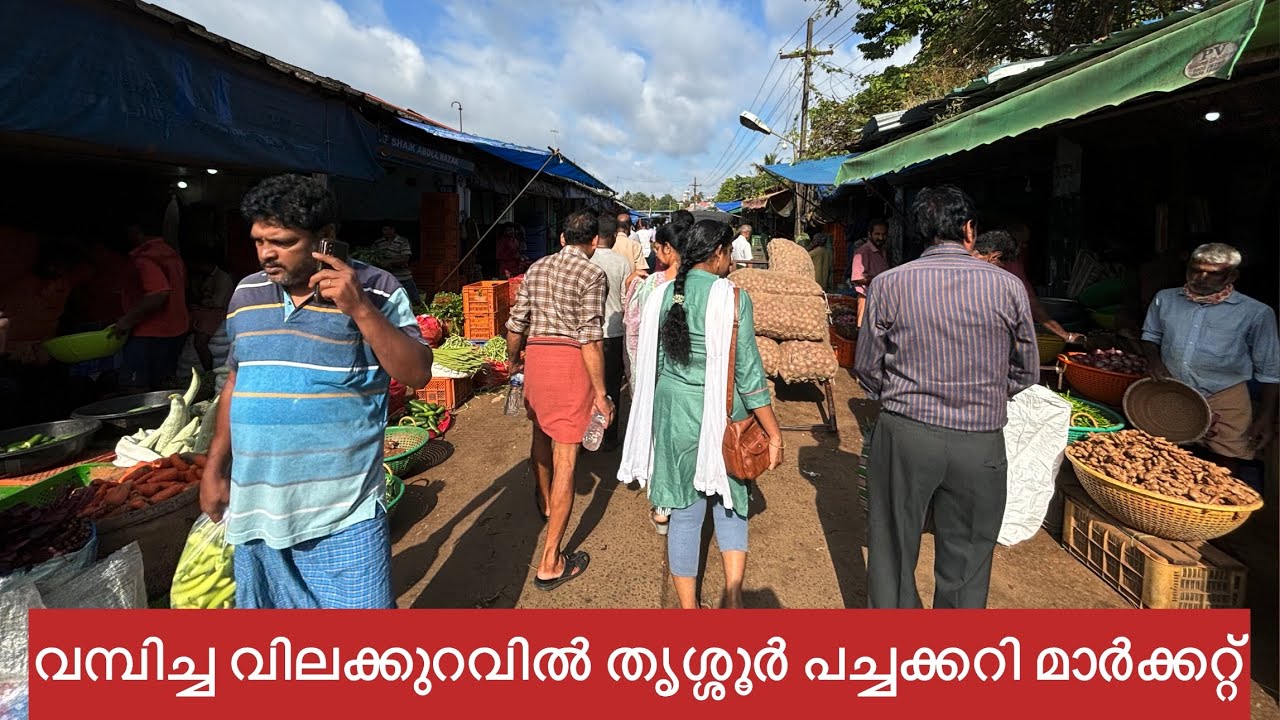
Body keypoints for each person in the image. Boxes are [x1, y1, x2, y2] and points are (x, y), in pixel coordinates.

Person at [201, 174, 432, 609]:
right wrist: (214, 468)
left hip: (342, 512)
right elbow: (237, 380)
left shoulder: (378, 289)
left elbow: (418, 372)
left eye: (283, 241)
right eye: (258, 241)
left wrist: (360, 308)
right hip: (256, 509)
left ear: (325, 239)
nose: (267, 254)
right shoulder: (246, 294)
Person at [854, 185, 1038, 609]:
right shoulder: (1008, 287)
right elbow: (1026, 370)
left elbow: (866, 366)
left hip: (905, 434)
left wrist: (904, 395)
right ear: (970, 230)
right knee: (968, 560)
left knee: (893, 551)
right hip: (980, 441)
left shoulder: (888, 284)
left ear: (920, 231)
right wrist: (983, 394)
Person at [618, 220, 783, 609]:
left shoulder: (660, 295)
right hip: (721, 415)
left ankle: (689, 612)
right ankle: (734, 600)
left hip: (673, 411)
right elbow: (749, 374)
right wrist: (773, 432)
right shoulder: (733, 297)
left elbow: (651, 365)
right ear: (720, 252)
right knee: (729, 503)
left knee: (684, 513)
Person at [506, 210, 611, 591]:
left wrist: (513, 359)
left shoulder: (535, 268)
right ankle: (551, 561)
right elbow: (590, 338)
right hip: (570, 364)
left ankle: (548, 504)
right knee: (567, 459)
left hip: (537, 358)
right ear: (594, 241)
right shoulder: (592, 274)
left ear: (563, 239)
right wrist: (601, 393)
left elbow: (516, 322)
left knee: (539, 433)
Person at [1141, 243, 1278, 471]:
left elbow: (1270, 370)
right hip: (1174, 389)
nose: (1200, 278)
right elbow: (1150, 335)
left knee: (1225, 465)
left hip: (1226, 394)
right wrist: (1154, 361)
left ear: (1232, 276)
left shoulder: (1256, 313)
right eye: (1195, 270)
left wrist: (1266, 416)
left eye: (1212, 274)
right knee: (1162, 458)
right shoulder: (1165, 299)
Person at [114, 223, 189, 391]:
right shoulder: (171, 254)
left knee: (135, 391)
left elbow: (159, 293)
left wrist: (126, 321)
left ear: (135, 232)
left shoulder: (145, 258)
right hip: (176, 328)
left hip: (149, 333)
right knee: (162, 388)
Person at [1003, 222, 1086, 346]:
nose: (1024, 247)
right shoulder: (1010, 262)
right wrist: (1066, 335)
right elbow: (1031, 302)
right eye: (1020, 243)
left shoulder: (1014, 260)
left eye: (1025, 243)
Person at [589, 214, 633, 450]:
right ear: (614, 236)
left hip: (587, 335)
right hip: (614, 332)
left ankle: (586, 435)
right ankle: (609, 436)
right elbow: (626, 299)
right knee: (612, 386)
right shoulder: (621, 263)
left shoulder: (586, 260)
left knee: (587, 386)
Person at [186, 247, 235, 372]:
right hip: (205, 311)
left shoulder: (223, 278)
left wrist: (202, 302)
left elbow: (218, 302)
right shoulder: (204, 278)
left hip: (217, 312)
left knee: (200, 343)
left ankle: (208, 372)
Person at [851, 219, 891, 327]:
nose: (881, 238)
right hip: (867, 299)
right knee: (864, 330)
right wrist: (879, 278)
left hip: (881, 299)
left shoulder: (883, 251)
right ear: (870, 234)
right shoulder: (862, 252)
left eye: (884, 234)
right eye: (877, 234)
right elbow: (857, 277)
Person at [374, 223, 420, 303]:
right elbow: (375, 256)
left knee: (414, 300)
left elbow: (405, 258)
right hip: (387, 278)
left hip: (403, 277)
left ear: (393, 230)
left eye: (387, 229)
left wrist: (389, 262)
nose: (385, 232)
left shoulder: (402, 241)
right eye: (383, 230)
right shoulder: (379, 243)